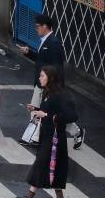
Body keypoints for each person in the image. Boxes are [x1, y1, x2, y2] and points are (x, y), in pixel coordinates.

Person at [19, 12, 83, 148]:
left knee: (46, 111)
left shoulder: (54, 43)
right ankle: (35, 136)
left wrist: (52, 85)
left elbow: (56, 66)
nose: (36, 29)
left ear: (45, 26)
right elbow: (42, 60)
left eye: (37, 26)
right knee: (38, 109)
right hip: (42, 82)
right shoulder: (45, 41)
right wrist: (29, 53)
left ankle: (36, 137)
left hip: (48, 85)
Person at [25, 66, 78, 196]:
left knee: (42, 163)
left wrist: (46, 115)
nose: (39, 78)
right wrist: (36, 109)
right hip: (46, 136)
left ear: (51, 78)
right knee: (51, 167)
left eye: (42, 76)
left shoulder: (60, 95)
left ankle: (29, 195)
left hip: (55, 138)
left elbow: (71, 115)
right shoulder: (47, 92)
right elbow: (50, 110)